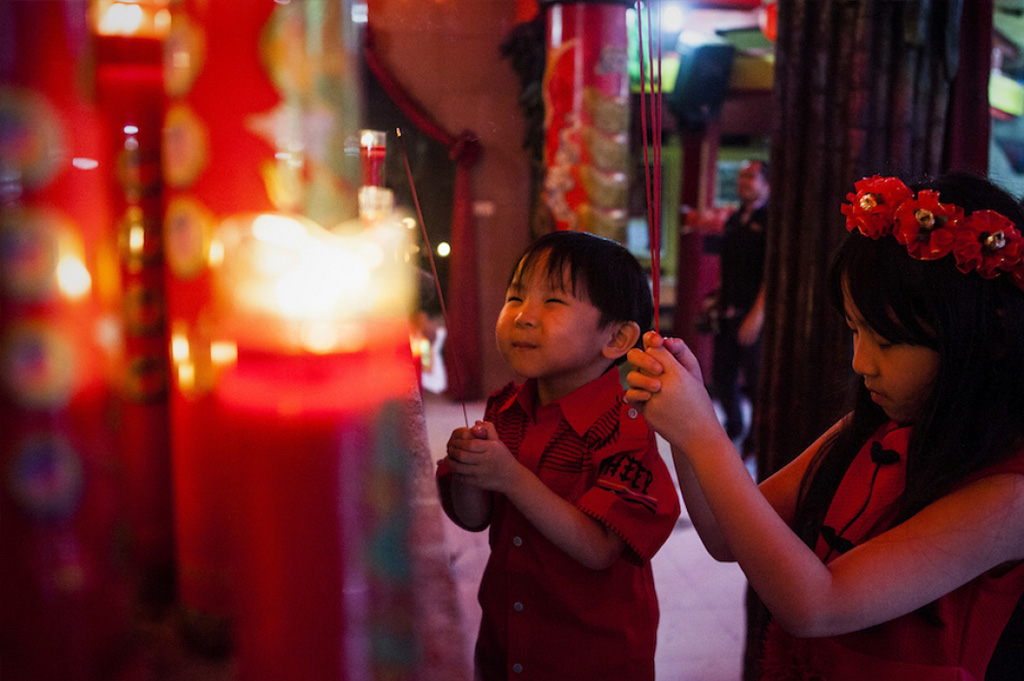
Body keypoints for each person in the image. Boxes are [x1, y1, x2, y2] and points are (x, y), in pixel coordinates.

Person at [625, 172, 1024, 680]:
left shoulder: (1006, 496)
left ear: (987, 339)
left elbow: (816, 606)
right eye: (856, 331)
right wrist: (686, 425)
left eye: (887, 340)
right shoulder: (867, 430)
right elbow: (726, 539)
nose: (861, 362)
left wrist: (702, 431)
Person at [437, 230, 681, 681]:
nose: (524, 317)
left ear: (618, 337)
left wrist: (510, 477)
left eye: (552, 303)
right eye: (515, 297)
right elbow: (476, 519)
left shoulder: (626, 427)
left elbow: (599, 548)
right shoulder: (505, 407)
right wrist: (472, 470)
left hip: (592, 657)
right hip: (506, 639)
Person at [709, 160, 770, 453]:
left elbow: (772, 273)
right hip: (727, 312)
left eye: (751, 177)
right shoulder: (733, 220)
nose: (744, 181)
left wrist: (757, 316)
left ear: (766, 184)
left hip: (753, 315)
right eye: (742, 176)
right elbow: (726, 267)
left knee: (757, 383)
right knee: (721, 377)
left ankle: (757, 440)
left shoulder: (771, 220)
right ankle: (734, 428)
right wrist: (716, 298)